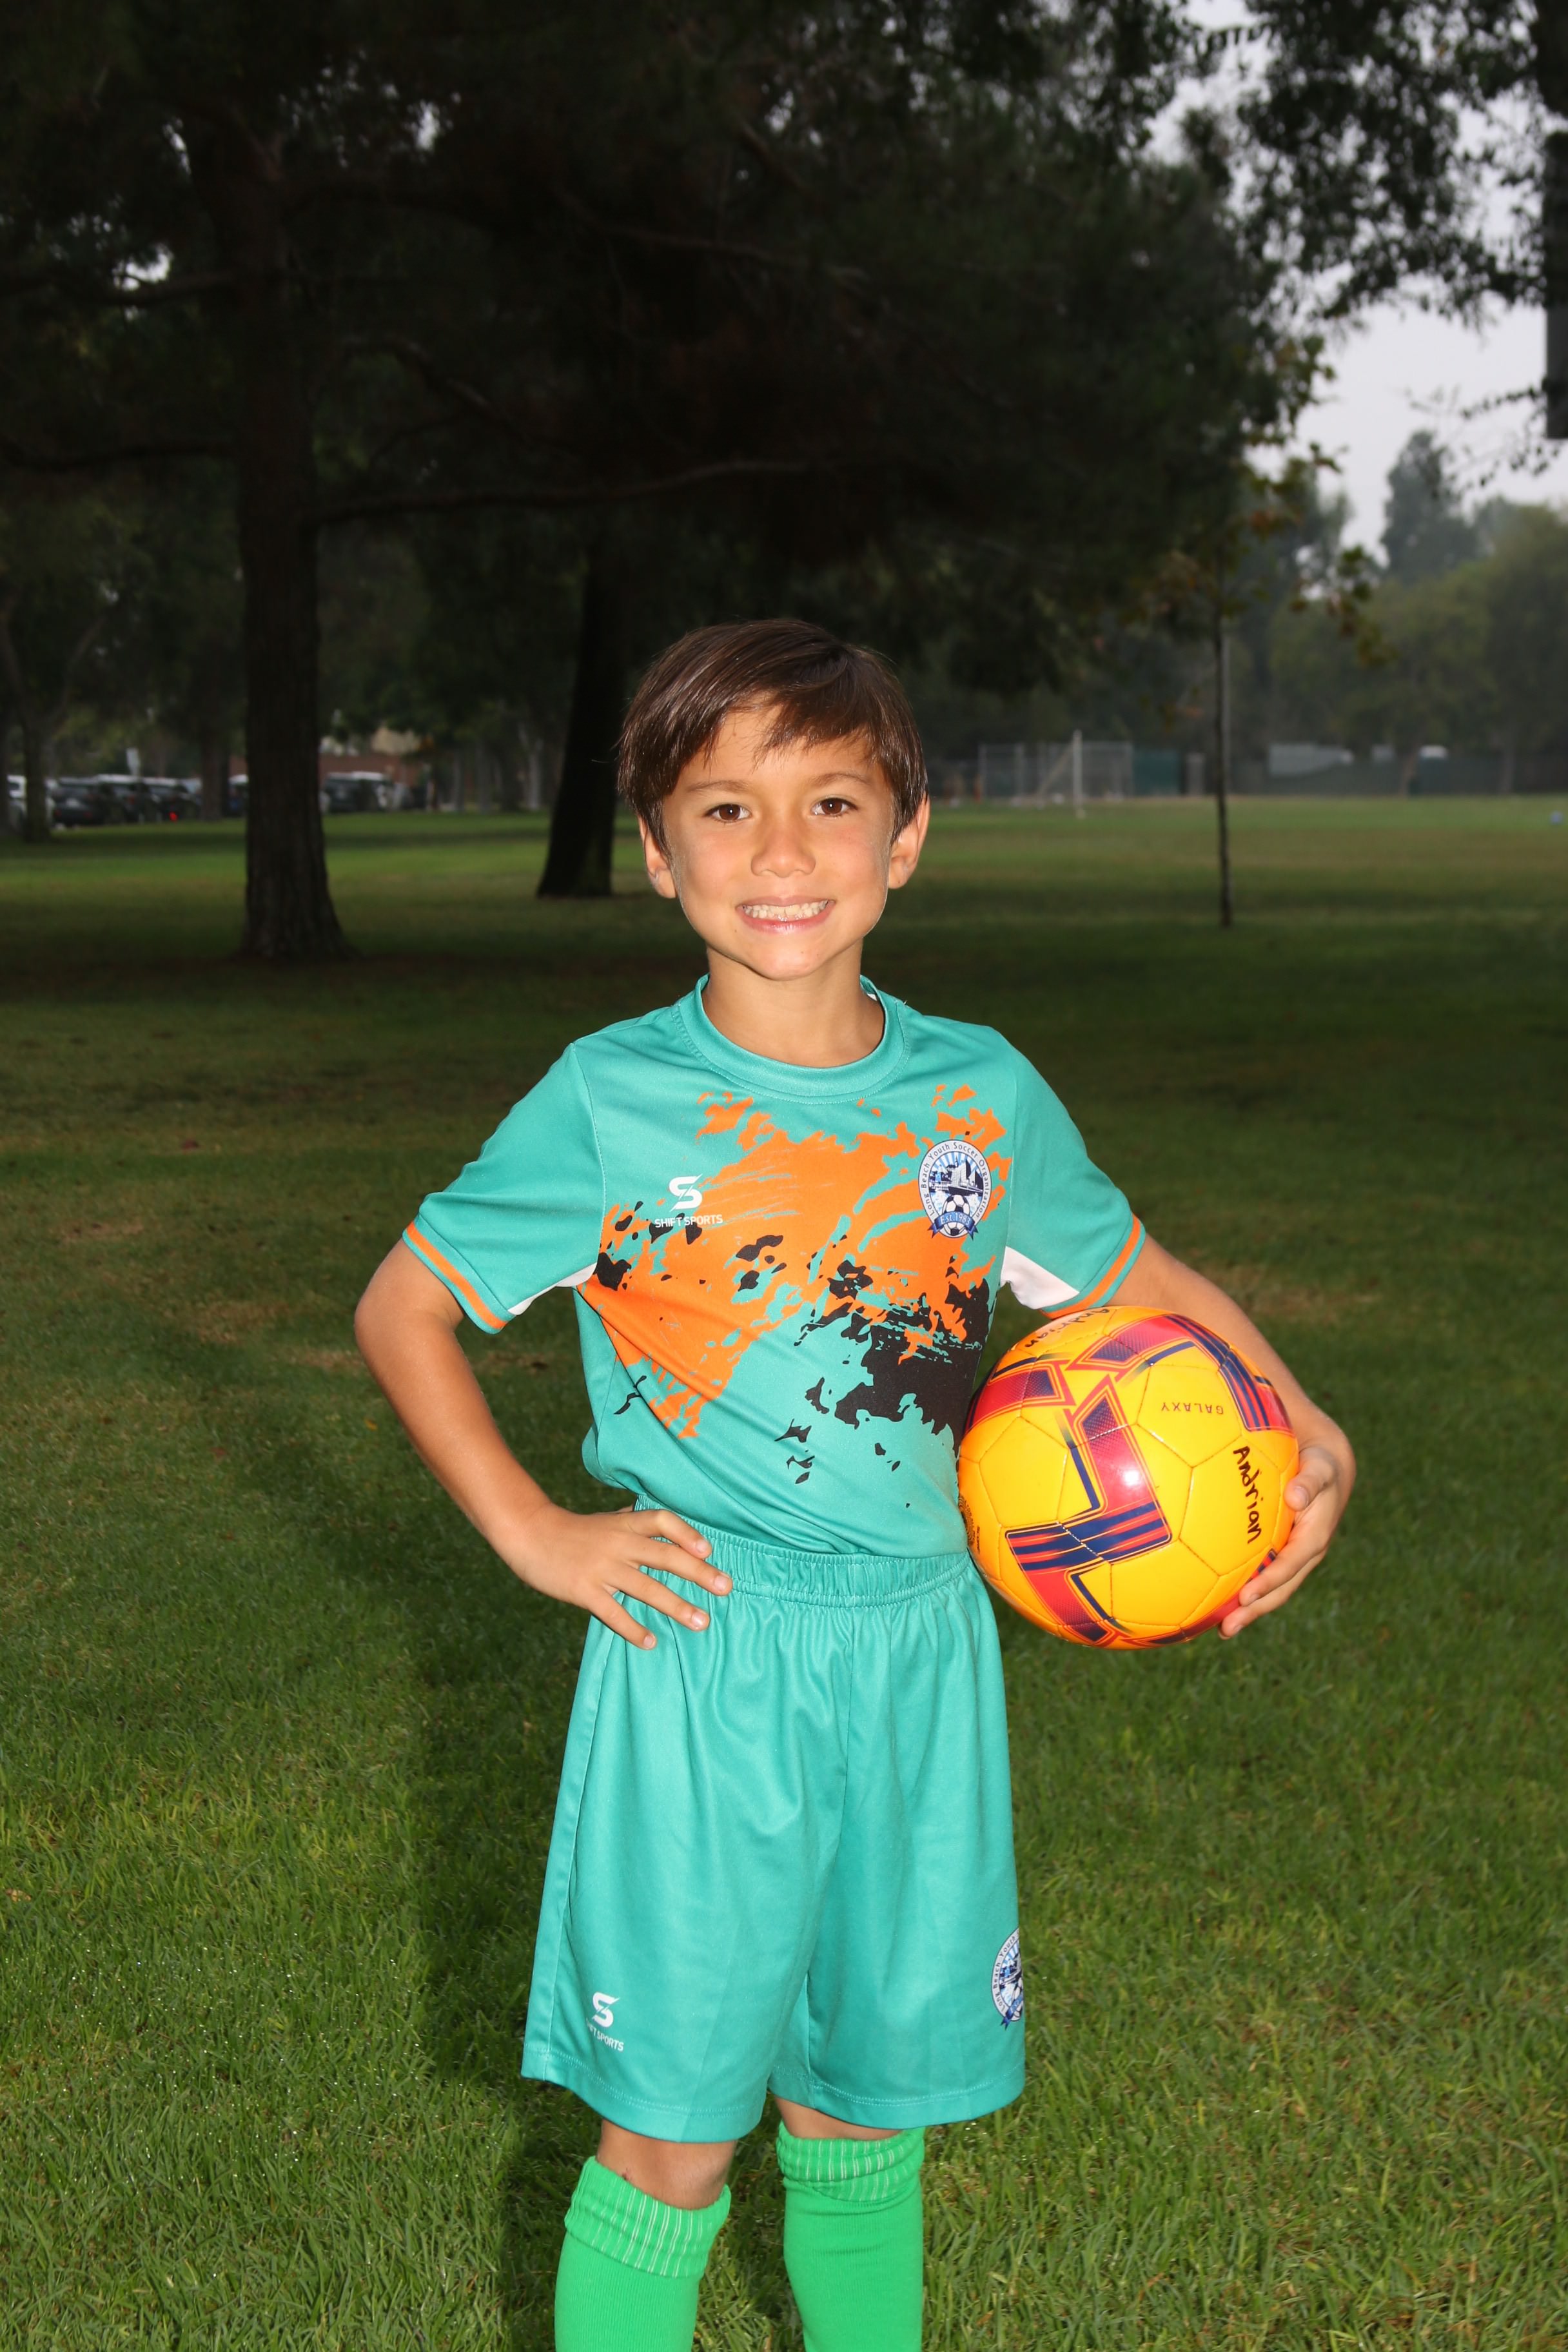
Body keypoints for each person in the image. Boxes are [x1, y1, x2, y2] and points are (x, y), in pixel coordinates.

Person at [355, 621, 1355, 2352]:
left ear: (906, 837)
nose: (782, 852)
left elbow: (1145, 1286)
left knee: (867, 2118)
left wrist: (1311, 1425)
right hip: (704, 1655)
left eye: (829, 802)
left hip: (922, 1656)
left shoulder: (981, 1096)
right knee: (672, 2137)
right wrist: (534, 1532)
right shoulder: (615, 1099)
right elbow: (405, 1306)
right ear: (657, 852)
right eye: (724, 809)